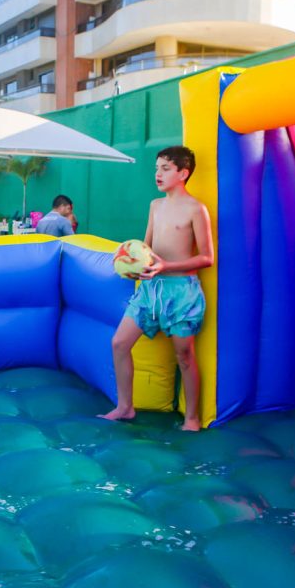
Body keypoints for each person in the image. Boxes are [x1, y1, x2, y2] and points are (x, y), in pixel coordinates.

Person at [101, 146, 213, 432]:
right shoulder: (155, 206)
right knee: (119, 343)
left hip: (181, 292)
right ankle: (125, 406)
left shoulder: (195, 209)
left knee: (184, 356)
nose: (158, 174)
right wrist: (130, 261)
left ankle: (192, 419)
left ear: (183, 173)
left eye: (165, 168)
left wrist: (167, 267)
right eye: (156, 168)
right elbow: (146, 246)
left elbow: (207, 258)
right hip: (151, 288)